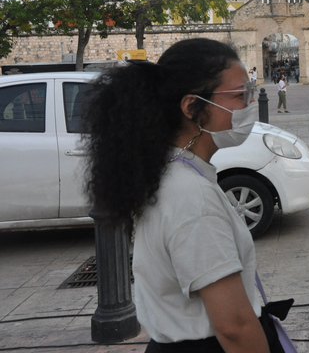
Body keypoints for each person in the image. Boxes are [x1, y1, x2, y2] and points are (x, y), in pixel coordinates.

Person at [82, 38, 268, 353]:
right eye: (239, 95)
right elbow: (234, 326)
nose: (251, 103)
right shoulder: (190, 195)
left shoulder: (174, 173)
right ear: (192, 107)